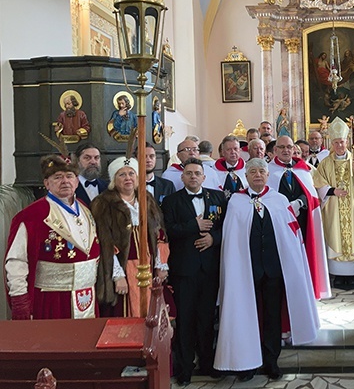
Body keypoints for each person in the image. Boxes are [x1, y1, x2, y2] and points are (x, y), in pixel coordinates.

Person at [214, 158, 319, 381]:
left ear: (267, 174)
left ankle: (271, 361)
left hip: (273, 270)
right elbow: (231, 239)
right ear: (247, 176)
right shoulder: (236, 202)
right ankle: (247, 363)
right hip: (246, 271)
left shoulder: (279, 200)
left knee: (272, 318)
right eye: (253, 172)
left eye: (262, 171)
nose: (258, 175)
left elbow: (292, 235)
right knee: (246, 315)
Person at [5, 155, 100, 320]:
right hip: (51, 301)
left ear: (77, 181)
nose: (65, 181)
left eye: (69, 176)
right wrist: (20, 301)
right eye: (57, 177)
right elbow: (16, 261)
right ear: (46, 183)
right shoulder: (31, 216)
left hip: (86, 297)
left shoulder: (85, 209)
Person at [162, 158, 227, 386]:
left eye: (197, 173)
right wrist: (194, 226)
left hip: (210, 269)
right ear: (182, 177)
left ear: (204, 176)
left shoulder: (217, 197)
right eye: (188, 173)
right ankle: (185, 367)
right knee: (186, 319)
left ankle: (208, 363)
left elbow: (227, 227)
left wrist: (213, 238)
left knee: (207, 318)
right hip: (184, 269)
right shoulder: (171, 201)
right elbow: (168, 230)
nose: (192, 177)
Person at [92, 156, 168, 317]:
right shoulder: (104, 203)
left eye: (131, 173)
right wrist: (118, 276)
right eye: (122, 174)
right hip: (125, 267)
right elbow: (105, 242)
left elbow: (159, 233)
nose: (128, 178)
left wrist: (161, 265)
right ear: (114, 179)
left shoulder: (146, 199)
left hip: (149, 264)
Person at [268, 135, 331, 299]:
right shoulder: (268, 170)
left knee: (303, 257)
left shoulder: (304, 169)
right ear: (275, 150)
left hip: (302, 222)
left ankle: (304, 289)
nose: (285, 150)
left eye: (289, 147)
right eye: (281, 147)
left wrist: (300, 202)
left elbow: (312, 195)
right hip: (280, 224)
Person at [314, 117, 354, 289]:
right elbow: (318, 182)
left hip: (353, 208)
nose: (340, 145)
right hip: (333, 207)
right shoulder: (325, 163)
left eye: (342, 141)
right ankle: (338, 276)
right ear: (332, 143)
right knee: (335, 235)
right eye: (336, 142)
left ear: (347, 141)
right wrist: (333, 191)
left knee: (353, 236)